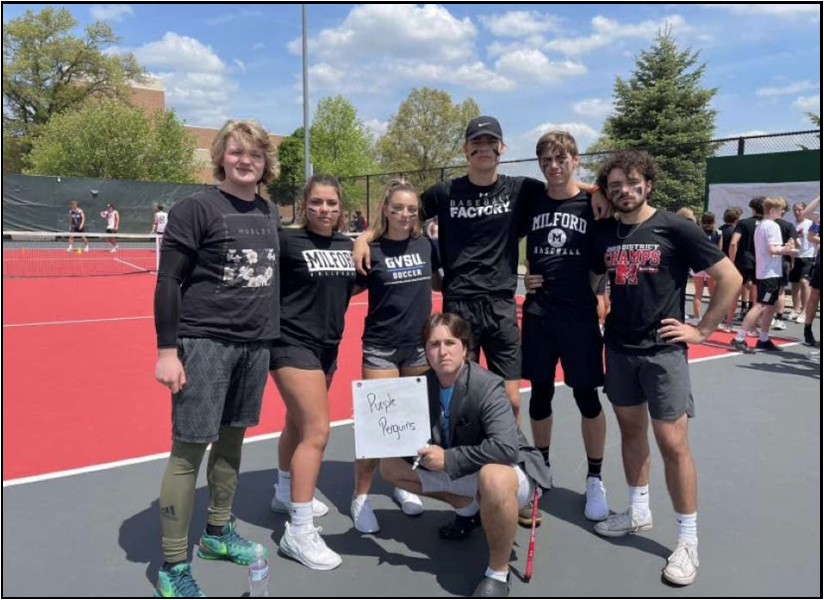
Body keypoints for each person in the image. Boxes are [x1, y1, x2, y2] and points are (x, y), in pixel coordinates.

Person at [354, 116, 609, 423]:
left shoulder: (520, 189)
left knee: (511, 400)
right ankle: (463, 463)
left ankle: (507, 461)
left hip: (501, 306)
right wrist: (365, 237)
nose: (483, 149)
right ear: (466, 150)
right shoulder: (445, 193)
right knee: (460, 395)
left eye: (490, 143)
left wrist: (598, 191)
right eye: (476, 143)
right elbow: (399, 212)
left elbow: (561, 184)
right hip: (460, 305)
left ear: (501, 148)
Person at [590, 150, 742, 587]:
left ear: (649, 184)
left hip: (663, 353)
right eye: (614, 184)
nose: (624, 190)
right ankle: (638, 511)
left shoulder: (676, 227)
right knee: (631, 433)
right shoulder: (606, 233)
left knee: (673, 444)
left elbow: (729, 278)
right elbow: (594, 278)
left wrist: (702, 330)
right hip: (618, 348)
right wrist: (597, 298)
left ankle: (688, 539)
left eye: (632, 182)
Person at [153, 119, 280, 597]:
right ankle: (171, 567)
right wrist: (168, 350)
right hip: (205, 343)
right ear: (221, 156)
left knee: (231, 443)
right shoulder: (195, 208)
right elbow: (169, 282)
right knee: (188, 451)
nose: (246, 160)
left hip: (254, 347)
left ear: (265, 162)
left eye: (255, 154)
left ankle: (217, 534)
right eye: (237, 152)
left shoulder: (267, 211)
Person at [379, 313, 552, 598]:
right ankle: (468, 508)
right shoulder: (419, 387)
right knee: (389, 467)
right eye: (434, 344)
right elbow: (406, 436)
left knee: (492, 477)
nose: (442, 351)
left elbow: (507, 448)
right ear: (426, 350)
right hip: (469, 468)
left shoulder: (488, 386)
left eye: (450, 342)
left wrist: (448, 460)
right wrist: (379, 428)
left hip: (510, 472)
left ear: (465, 347)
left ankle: (497, 573)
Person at [519, 131, 609, 526]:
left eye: (561, 159)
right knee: (539, 396)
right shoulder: (532, 200)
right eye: (546, 161)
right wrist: (520, 277)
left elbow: (603, 256)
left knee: (587, 397)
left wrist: (599, 189)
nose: (553, 167)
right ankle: (542, 470)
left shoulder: (593, 203)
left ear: (575, 159)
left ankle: (595, 478)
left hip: (579, 316)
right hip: (539, 313)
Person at [269, 174, 356, 571]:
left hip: (327, 347)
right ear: (304, 205)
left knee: (297, 422)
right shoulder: (286, 242)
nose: (325, 210)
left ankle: (284, 490)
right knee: (317, 431)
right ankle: (298, 531)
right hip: (290, 344)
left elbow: (350, 284)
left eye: (332, 204)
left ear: (341, 208)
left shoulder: (346, 245)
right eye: (317, 203)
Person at [350, 178, 442, 533]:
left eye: (410, 209)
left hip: (419, 346)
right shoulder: (370, 249)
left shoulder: (425, 244)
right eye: (397, 208)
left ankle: (403, 484)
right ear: (385, 209)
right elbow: (345, 287)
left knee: (413, 422)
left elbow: (437, 282)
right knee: (376, 426)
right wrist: (361, 239)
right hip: (381, 347)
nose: (405, 214)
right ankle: (360, 496)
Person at [731, 197, 799, 353]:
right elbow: (773, 250)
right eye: (781, 209)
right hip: (769, 273)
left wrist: (784, 247)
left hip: (768, 271)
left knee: (769, 306)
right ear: (773, 210)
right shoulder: (772, 226)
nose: (783, 212)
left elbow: (772, 248)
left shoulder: (762, 225)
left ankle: (764, 338)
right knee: (762, 305)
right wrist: (790, 250)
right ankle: (739, 337)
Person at [729, 197, 764, 322]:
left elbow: (733, 243)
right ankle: (754, 323)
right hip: (760, 261)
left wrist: (732, 261)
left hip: (744, 260)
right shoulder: (768, 224)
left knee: (735, 292)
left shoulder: (743, 223)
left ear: (753, 209)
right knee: (757, 294)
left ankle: (728, 323)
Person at [689, 212, 721, 325]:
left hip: (697, 263)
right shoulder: (718, 232)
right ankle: (712, 318)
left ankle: (697, 318)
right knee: (712, 293)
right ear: (713, 221)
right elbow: (719, 251)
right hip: (711, 264)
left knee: (698, 292)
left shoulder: (696, 230)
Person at [789, 201, 815, 324]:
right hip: (795, 257)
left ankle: (805, 311)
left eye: (799, 210)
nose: (797, 212)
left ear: (805, 210)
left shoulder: (810, 223)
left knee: (804, 282)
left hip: (809, 257)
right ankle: (796, 309)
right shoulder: (792, 225)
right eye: (795, 210)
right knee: (794, 284)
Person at [719, 206, 743, 331]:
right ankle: (729, 316)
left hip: (719, 263)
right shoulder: (736, 232)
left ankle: (721, 314)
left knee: (721, 291)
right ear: (737, 218)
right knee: (733, 292)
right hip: (732, 262)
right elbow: (735, 245)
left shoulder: (719, 230)